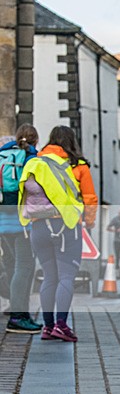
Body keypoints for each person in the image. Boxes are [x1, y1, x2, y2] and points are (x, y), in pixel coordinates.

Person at [18, 125, 98, 342]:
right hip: (65, 227)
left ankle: (48, 326)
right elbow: (90, 198)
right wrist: (88, 222)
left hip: (38, 226)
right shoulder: (78, 166)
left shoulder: (35, 163)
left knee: (48, 276)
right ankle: (62, 326)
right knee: (66, 277)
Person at [0, 124, 43, 333]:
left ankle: (14, 308)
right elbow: (35, 192)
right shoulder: (31, 160)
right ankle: (18, 317)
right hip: (21, 223)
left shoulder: (2, 156)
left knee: (11, 265)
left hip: (1, 222)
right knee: (24, 267)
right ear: (35, 140)